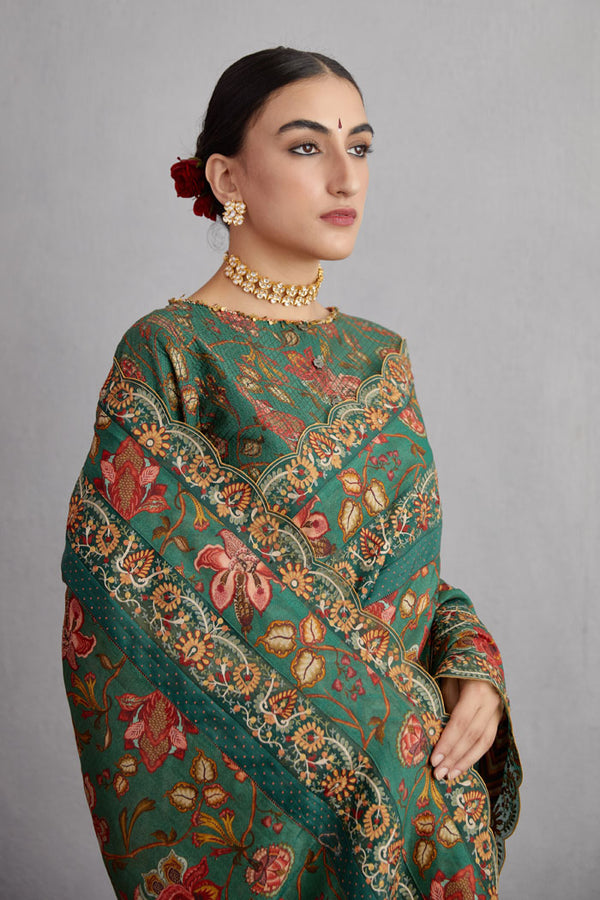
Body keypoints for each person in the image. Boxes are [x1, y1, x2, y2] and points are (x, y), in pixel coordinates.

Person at [61, 47, 521, 900]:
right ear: (227, 176)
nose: (347, 177)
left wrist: (471, 665)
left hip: (418, 794)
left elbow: (398, 586)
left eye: (362, 146)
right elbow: (130, 608)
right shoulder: (172, 353)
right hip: (276, 820)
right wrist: (365, 718)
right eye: (308, 146)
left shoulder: (380, 359)